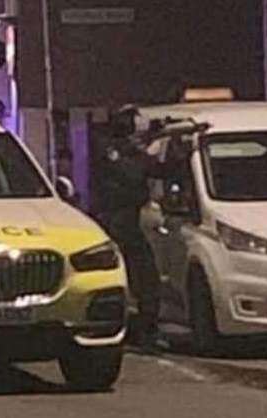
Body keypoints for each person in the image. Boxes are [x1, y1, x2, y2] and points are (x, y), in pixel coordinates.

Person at [98, 109, 178, 353]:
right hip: (119, 223)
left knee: (144, 279)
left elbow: (161, 171)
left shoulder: (124, 150)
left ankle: (143, 331)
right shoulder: (113, 151)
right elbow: (135, 172)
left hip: (126, 220)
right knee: (142, 279)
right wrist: (149, 147)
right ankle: (141, 333)